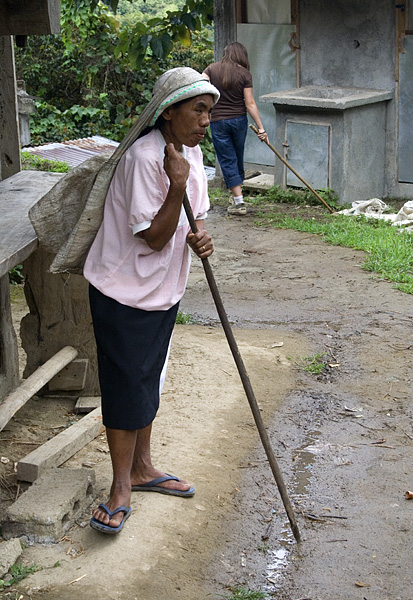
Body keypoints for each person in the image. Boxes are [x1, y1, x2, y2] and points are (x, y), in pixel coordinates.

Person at [83, 67, 220, 535]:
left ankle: (142, 467)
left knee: (148, 379)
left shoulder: (191, 157)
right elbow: (157, 238)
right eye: (197, 110)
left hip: (161, 291)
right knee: (125, 388)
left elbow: (190, 223)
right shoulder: (146, 158)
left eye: (209, 111)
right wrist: (176, 184)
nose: (206, 120)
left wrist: (201, 240)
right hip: (123, 292)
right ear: (168, 112)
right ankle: (121, 486)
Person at [203, 42, 269, 216]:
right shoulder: (245, 74)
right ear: (242, 55)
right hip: (239, 121)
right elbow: (250, 103)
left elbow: (199, 86)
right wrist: (261, 128)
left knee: (227, 158)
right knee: (236, 155)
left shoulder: (211, 69)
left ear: (226, 54)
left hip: (218, 121)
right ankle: (236, 196)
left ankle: (238, 201)